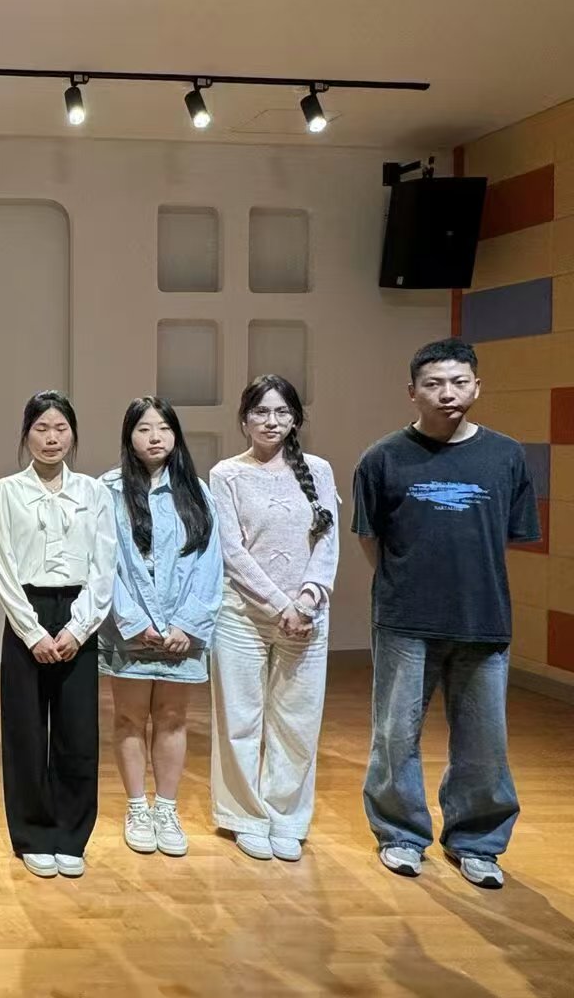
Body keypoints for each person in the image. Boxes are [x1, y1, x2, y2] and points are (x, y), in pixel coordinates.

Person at [354, 338, 539, 890]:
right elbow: (370, 537)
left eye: (459, 382)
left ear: (477, 386)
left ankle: (477, 843)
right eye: (433, 384)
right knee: (395, 736)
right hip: (404, 620)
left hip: (483, 619)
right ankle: (400, 835)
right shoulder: (383, 457)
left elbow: (508, 536)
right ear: (412, 392)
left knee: (484, 743)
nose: (447, 393)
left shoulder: (506, 455)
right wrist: (406, 583)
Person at [208, 375, 340, 863]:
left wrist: (306, 601)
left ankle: (286, 818)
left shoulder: (319, 470)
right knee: (240, 720)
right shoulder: (226, 474)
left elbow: (327, 543)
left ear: (295, 419)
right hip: (242, 615)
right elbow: (231, 550)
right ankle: (245, 816)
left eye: (282, 412)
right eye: (261, 412)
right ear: (244, 419)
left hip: (307, 617)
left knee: (297, 722)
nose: (271, 421)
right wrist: (279, 605)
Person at [0, 390, 116, 879]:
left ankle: (71, 834)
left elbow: (105, 566)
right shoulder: (4, 492)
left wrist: (79, 628)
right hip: (27, 613)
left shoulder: (94, 493)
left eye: (60, 428)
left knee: (77, 732)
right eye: (41, 428)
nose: (51, 438)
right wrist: (32, 631)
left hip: (79, 613)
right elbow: (2, 566)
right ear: (26, 436)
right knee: (24, 732)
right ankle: (34, 834)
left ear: (73, 435)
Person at [98, 396, 222, 858]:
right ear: (128, 436)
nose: (155, 438)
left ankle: (166, 809)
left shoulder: (197, 491)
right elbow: (103, 564)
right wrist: (131, 622)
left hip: (181, 633)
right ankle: (136, 807)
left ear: (176, 436)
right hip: (129, 630)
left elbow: (211, 562)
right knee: (129, 718)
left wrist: (187, 624)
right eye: (144, 429)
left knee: (172, 718)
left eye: (164, 428)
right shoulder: (107, 490)